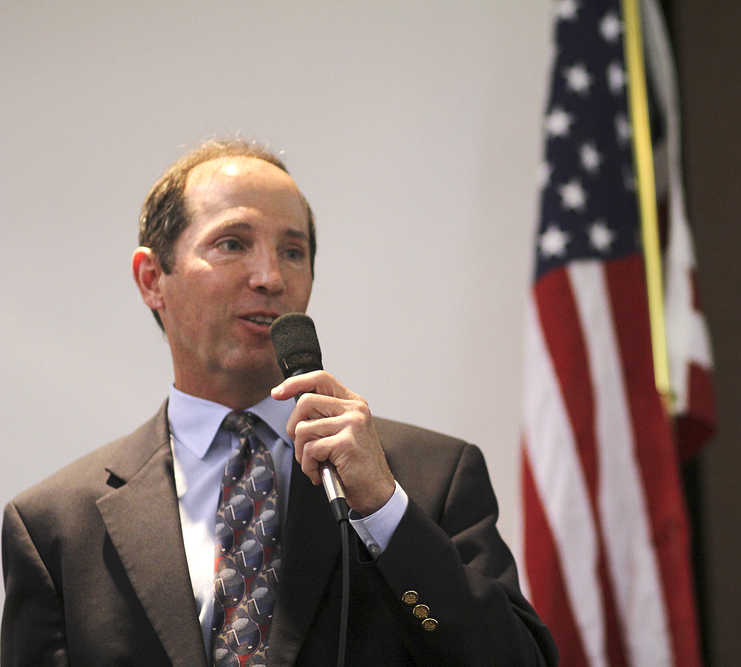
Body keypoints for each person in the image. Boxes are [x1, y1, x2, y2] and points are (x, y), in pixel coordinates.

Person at [0, 139, 557, 666]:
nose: (271, 277)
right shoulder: (57, 525)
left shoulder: (429, 477)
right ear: (152, 279)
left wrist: (385, 512)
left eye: (294, 251)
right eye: (232, 243)